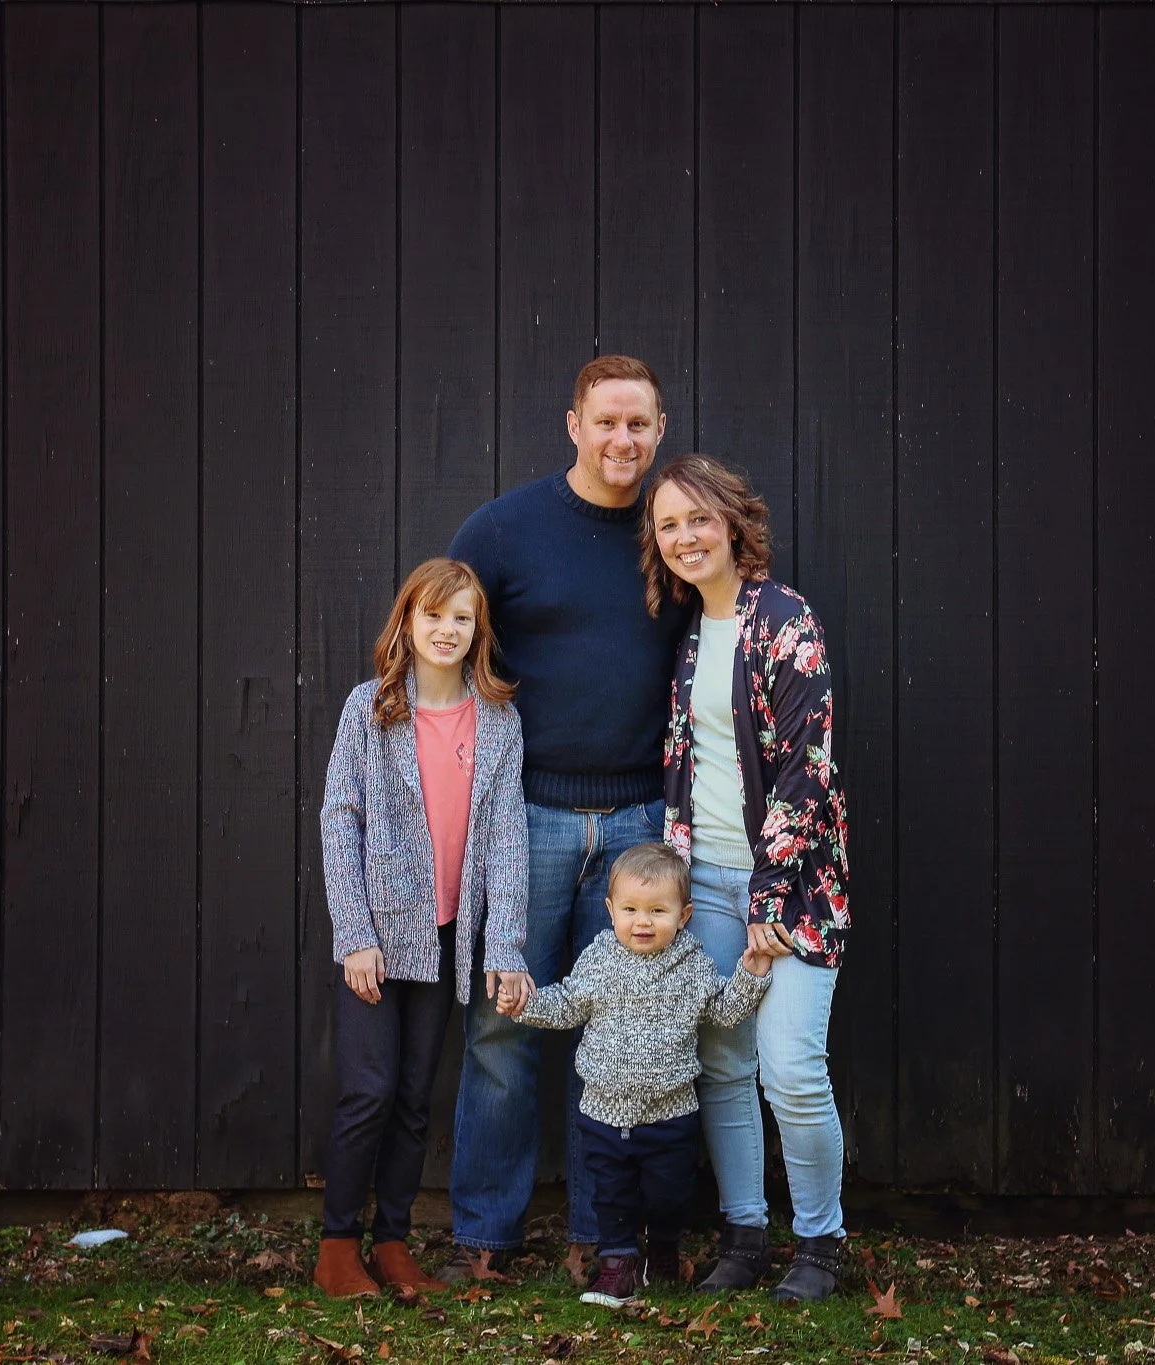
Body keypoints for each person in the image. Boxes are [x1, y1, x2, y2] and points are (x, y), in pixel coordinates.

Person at [441, 356, 692, 1278]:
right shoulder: (505, 528)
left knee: (622, 1035)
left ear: (660, 430)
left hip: (639, 824)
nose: (622, 440)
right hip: (527, 819)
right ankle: (486, 1239)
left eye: (640, 424)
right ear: (573, 425)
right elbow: (444, 639)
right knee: (504, 1028)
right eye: (606, 422)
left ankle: (606, 1237)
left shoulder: (674, 529)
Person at [642, 454, 853, 1302]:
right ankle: (744, 1233)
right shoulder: (693, 632)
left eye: (698, 519)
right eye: (668, 526)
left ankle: (821, 1243)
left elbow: (809, 765)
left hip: (793, 889)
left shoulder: (784, 619)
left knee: (791, 1066)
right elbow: (687, 765)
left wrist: (771, 893)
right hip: (710, 879)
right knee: (723, 1062)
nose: (686, 537)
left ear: (732, 522)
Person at [314, 557, 530, 1298]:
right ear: (408, 620)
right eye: (433, 614)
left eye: (462, 617)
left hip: (446, 939)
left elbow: (506, 839)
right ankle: (338, 1244)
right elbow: (339, 819)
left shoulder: (498, 723)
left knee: (413, 1097)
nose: (447, 628)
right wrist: (354, 932)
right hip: (377, 938)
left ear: (478, 631)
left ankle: (393, 1242)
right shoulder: (369, 710)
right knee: (368, 1090)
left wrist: (502, 945)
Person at [496, 842, 774, 1307]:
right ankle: (617, 1267)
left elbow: (725, 1013)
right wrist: (525, 1005)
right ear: (610, 910)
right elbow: (567, 1005)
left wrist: (750, 975)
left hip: (670, 1115)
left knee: (669, 1194)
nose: (642, 922)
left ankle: (663, 1247)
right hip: (604, 1112)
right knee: (612, 1196)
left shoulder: (692, 965)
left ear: (684, 915)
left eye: (657, 911)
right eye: (630, 909)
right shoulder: (600, 959)